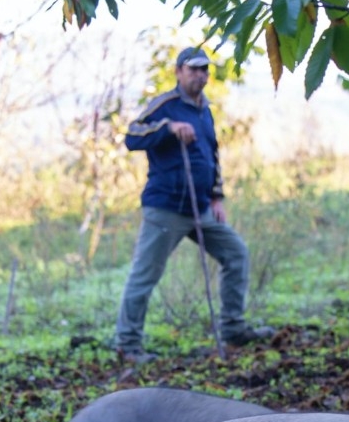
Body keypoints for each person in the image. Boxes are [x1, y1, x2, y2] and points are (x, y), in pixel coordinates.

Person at [114, 46, 273, 363]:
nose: (200, 75)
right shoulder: (166, 105)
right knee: (145, 274)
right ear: (179, 72)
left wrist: (216, 197)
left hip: (200, 207)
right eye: (193, 69)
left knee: (235, 253)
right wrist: (169, 128)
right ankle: (127, 345)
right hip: (166, 208)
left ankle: (233, 328)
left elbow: (211, 155)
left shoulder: (205, 110)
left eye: (205, 70)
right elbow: (132, 135)